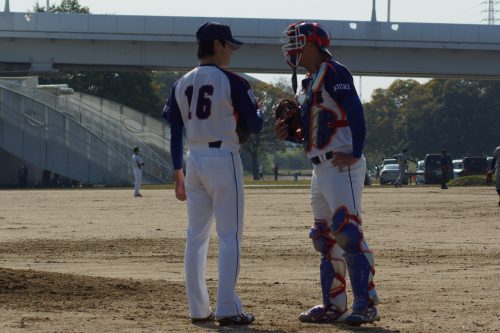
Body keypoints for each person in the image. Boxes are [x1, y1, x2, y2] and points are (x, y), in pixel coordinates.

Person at [275, 21, 379, 326]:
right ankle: (333, 305)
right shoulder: (309, 81)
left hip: (340, 163)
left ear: (311, 44)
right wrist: (291, 134)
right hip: (320, 166)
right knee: (323, 237)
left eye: (296, 42)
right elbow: (314, 130)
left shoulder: (334, 71)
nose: (291, 49)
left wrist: (357, 151)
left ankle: (367, 303)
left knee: (347, 231)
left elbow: (355, 111)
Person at [162, 21, 263, 326]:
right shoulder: (233, 81)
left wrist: (178, 170)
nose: (231, 51)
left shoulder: (181, 82)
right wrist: (259, 110)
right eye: (229, 46)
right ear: (217, 45)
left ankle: (198, 309)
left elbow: (175, 129)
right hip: (223, 157)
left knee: (196, 237)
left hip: (194, 160)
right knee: (229, 236)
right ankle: (227, 307)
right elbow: (254, 125)